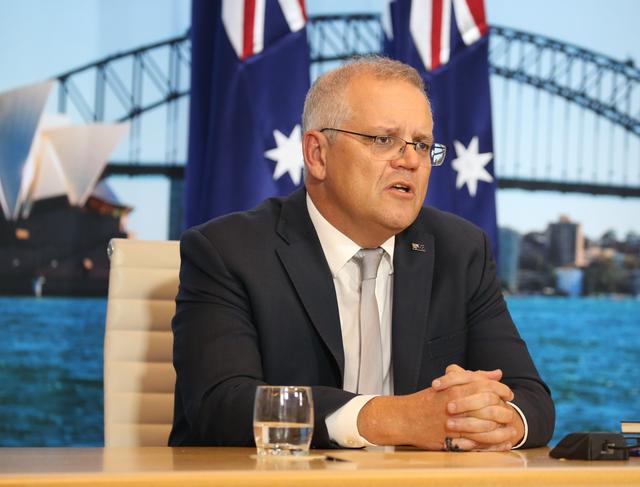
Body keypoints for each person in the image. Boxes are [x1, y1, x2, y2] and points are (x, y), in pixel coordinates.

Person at [169, 56, 554, 451]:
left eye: (422, 145)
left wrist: (501, 420)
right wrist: (390, 418)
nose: (410, 161)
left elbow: (531, 399)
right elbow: (220, 405)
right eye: (383, 140)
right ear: (317, 154)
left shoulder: (461, 250)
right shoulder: (227, 251)